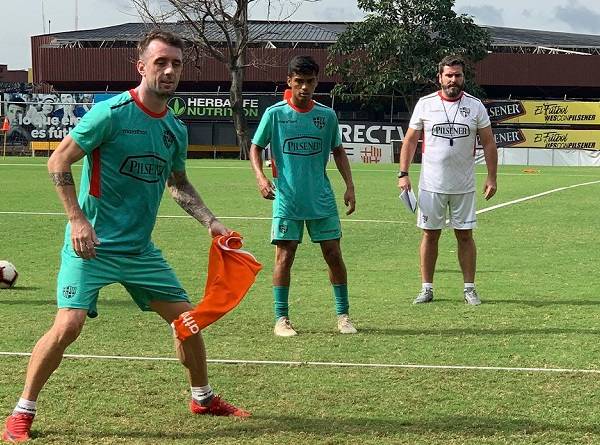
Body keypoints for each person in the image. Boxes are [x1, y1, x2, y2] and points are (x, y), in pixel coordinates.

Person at [2, 30, 249, 444]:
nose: (169, 70)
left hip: (139, 252)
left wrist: (211, 222)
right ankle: (21, 413)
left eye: (176, 64)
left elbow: (178, 184)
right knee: (67, 326)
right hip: (91, 246)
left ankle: (203, 398)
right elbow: (58, 160)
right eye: (160, 62)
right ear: (141, 66)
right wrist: (77, 220)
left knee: (188, 322)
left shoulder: (174, 129)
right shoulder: (111, 114)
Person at [249, 55, 357, 337]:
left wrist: (349, 186)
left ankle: (343, 316)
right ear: (289, 81)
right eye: (299, 81)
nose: (305, 87)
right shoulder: (275, 114)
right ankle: (281, 319)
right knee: (284, 257)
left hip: (321, 199)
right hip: (287, 200)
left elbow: (338, 150)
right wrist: (260, 177)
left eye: (310, 81)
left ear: (317, 82)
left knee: (333, 255)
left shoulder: (327, 116)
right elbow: (255, 147)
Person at [398, 55, 498, 306]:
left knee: (465, 236)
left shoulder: (475, 106)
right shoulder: (425, 104)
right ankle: (427, 288)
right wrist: (403, 173)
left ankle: (469, 289)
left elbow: (488, 142)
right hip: (431, 185)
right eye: (449, 75)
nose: (453, 80)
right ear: (440, 78)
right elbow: (410, 140)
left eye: (458, 75)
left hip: (464, 186)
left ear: (464, 78)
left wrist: (492, 176)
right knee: (429, 235)